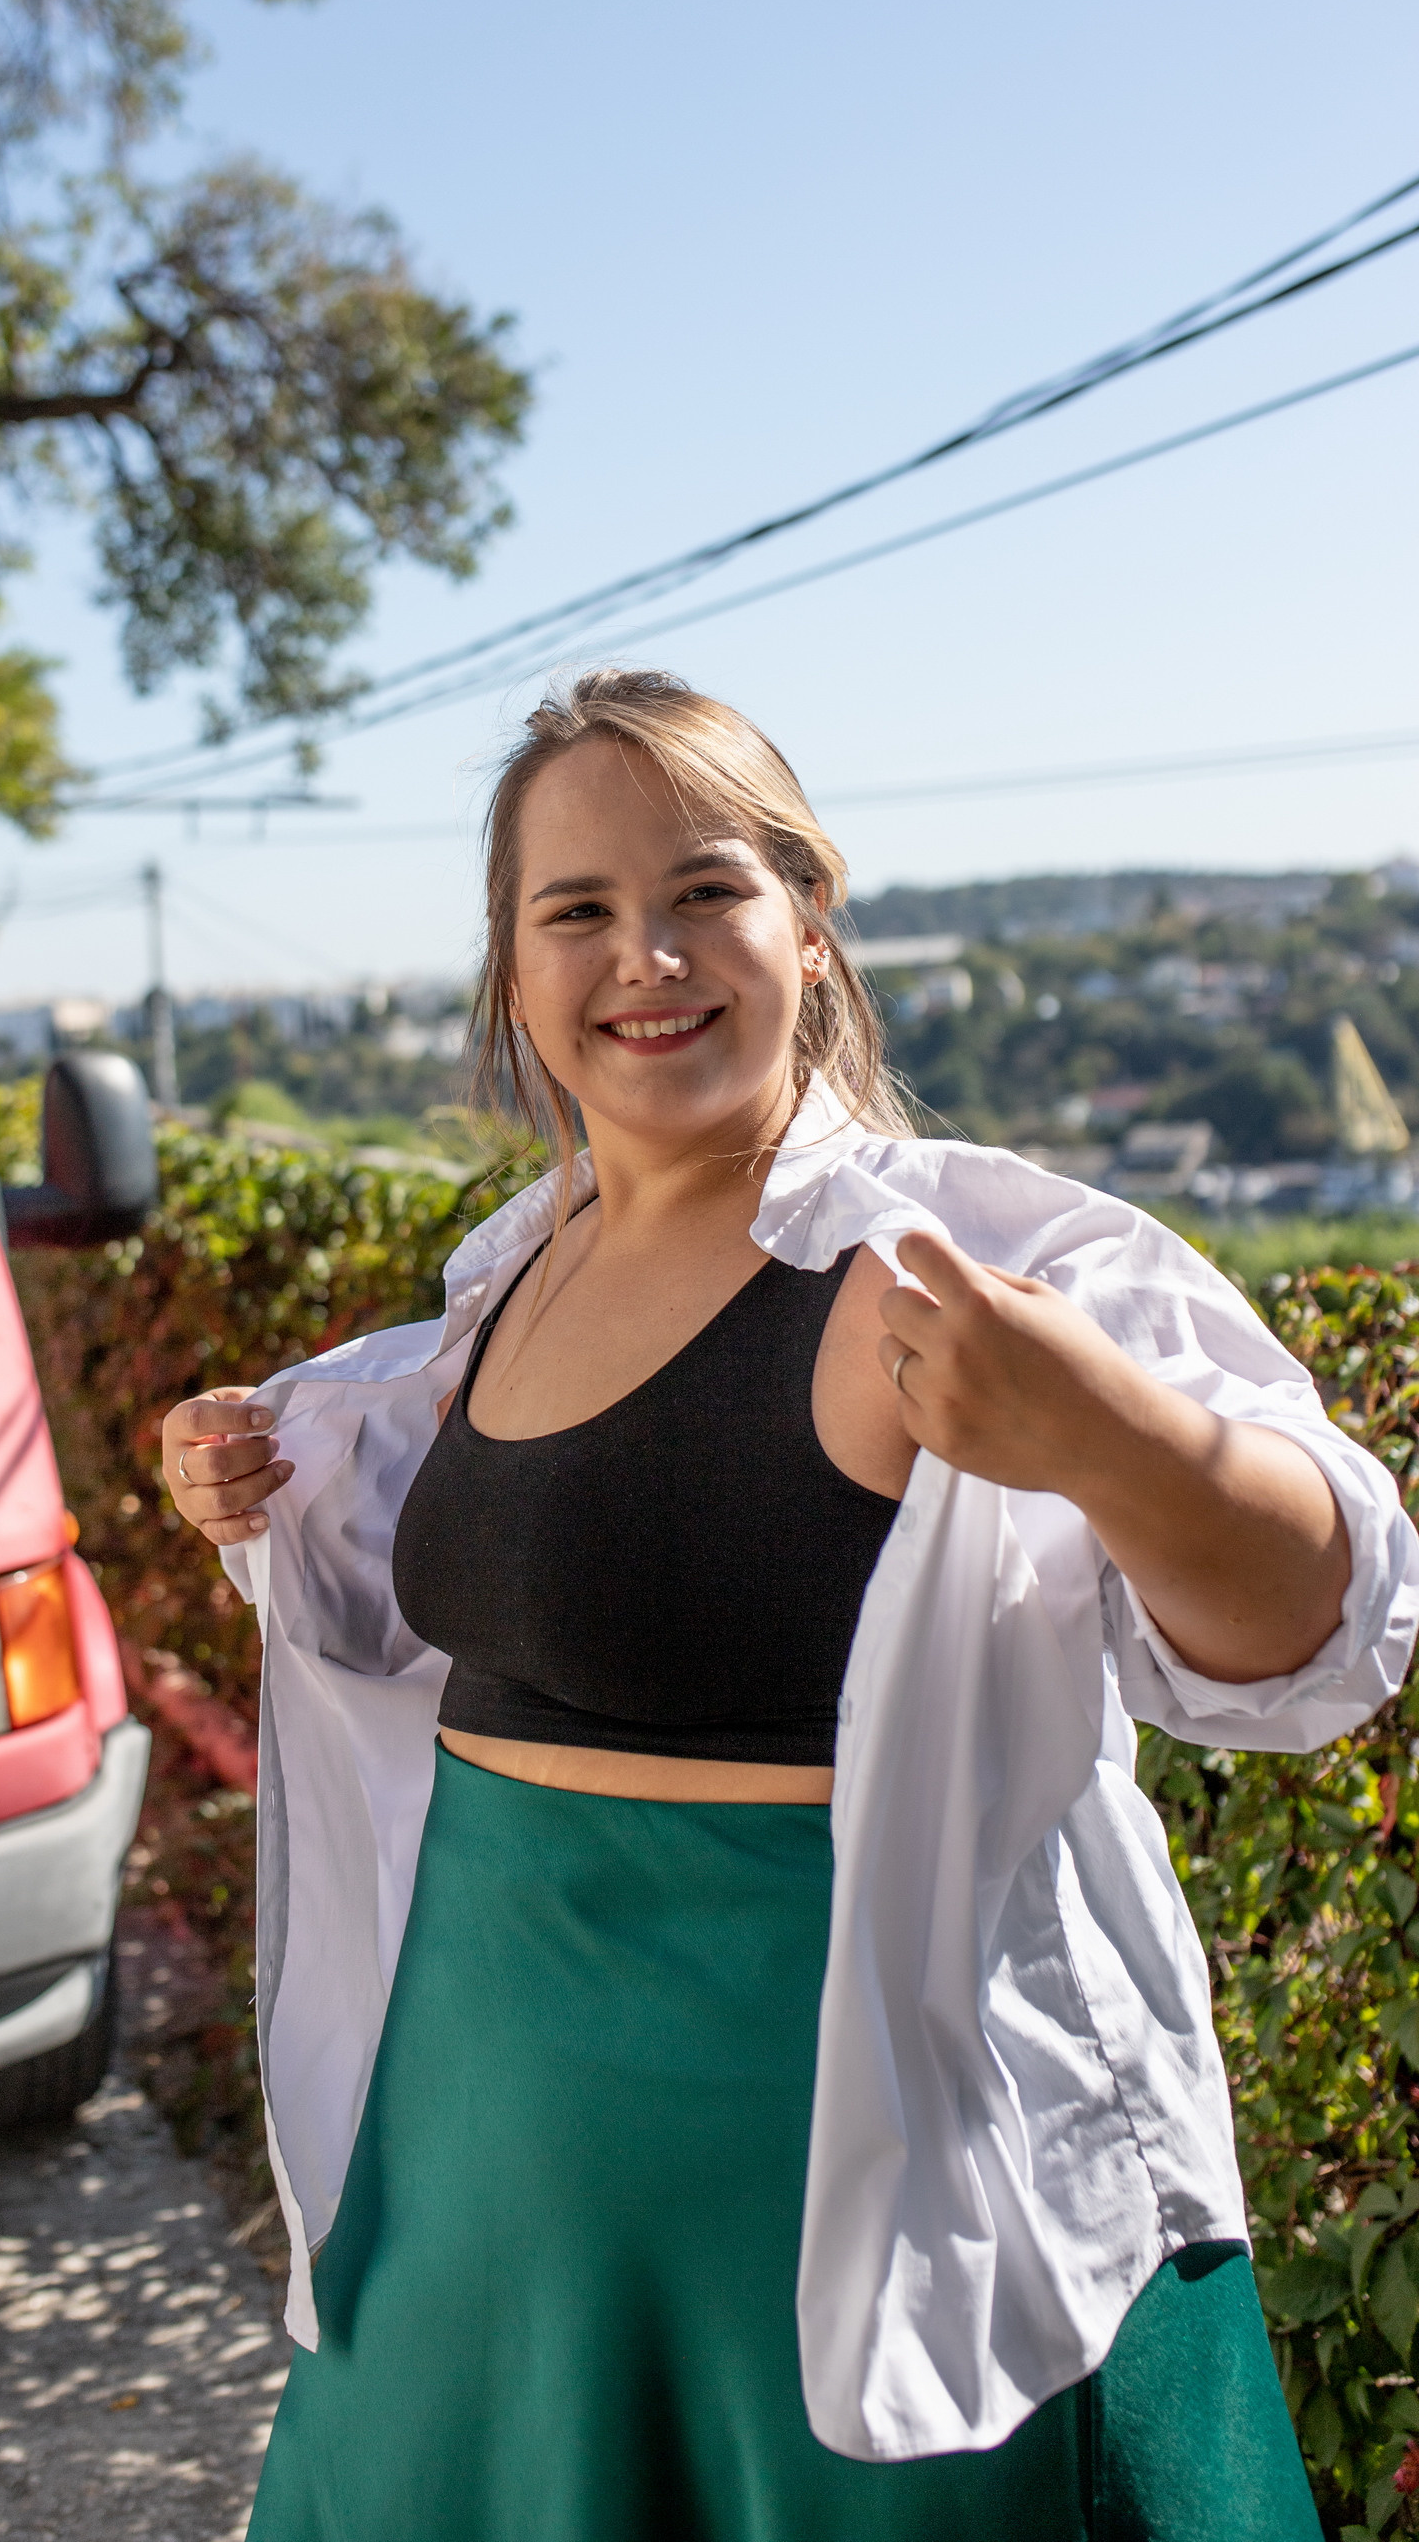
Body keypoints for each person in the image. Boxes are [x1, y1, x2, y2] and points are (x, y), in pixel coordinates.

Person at [162, 670, 1414, 2541]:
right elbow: (473, 1601)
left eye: (706, 892)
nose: (645, 957)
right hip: (480, 2208)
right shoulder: (509, 1280)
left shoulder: (952, 1261)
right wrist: (253, 1479)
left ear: (808, 926)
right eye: (577, 910)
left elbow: (1320, 1625)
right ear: (514, 972)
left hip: (863, 2238)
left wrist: (1108, 1432)